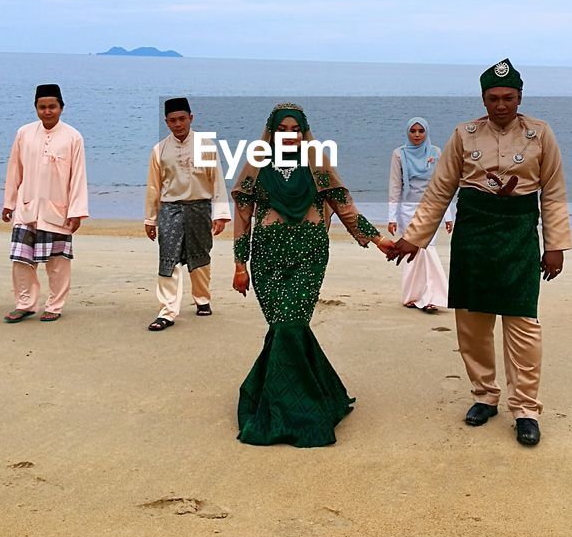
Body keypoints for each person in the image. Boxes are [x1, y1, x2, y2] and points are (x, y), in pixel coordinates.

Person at [388, 59, 570, 447]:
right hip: (473, 233)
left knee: (523, 324)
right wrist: (413, 238)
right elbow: (439, 190)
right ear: (483, 98)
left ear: (520, 97)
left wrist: (554, 245)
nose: (501, 105)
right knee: (472, 325)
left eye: (508, 97)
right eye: (493, 98)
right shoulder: (464, 134)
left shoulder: (541, 134)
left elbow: (553, 192)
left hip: (519, 233)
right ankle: (484, 395)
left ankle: (525, 409)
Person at [231, 102, 393, 447]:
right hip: (266, 261)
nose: (289, 135)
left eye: (295, 129)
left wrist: (377, 239)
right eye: (282, 129)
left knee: (289, 325)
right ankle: (322, 392)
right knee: (284, 329)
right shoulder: (256, 166)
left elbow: (345, 208)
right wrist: (240, 264)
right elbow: (243, 218)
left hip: (309, 258)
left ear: (304, 132)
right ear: (271, 132)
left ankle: (293, 410)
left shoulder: (318, 164)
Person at [1, 84, 89, 323]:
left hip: (58, 209)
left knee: (58, 262)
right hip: (26, 206)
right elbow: (14, 170)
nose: (47, 111)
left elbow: (78, 176)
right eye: (42, 107)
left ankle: (55, 305)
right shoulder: (24, 133)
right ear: (36, 108)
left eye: (52, 107)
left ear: (61, 108)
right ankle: (25, 304)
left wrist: (77, 211)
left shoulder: (73, 136)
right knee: (21, 259)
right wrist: (9, 202)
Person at [143, 97, 229, 331]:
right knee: (168, 258)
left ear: (191, 118)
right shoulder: (159, 150)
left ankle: (202, 299)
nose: (178, 124)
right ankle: (167, 311)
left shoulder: (206, 145)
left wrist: (220, 214)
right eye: (173, 120)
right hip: (170, 208)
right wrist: (150, 219)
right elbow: (154, 187)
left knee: (199, 256)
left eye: (182, 119)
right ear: (166, 122)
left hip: (199, 207)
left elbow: (217, 181)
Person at [386, 117, 455, 313]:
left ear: (426, 132)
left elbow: (443, 185)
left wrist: (448, 216)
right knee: (412, 251)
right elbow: (395, 186)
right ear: (408, 132)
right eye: (413, 131)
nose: (417, 135)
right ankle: (412, 296)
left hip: (431, 209)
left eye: (420, 131)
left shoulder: (435, 152)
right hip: (406, 210)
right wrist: (391, 217)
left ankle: (432, 296)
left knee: (427, 248)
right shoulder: (399, 154)